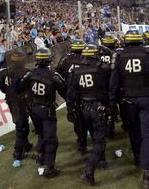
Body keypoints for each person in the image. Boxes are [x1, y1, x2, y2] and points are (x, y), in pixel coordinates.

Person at [109, 30, 149, 189]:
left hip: (127, 100)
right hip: (147, 98)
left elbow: (114, 82)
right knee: (148, 135)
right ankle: (148, 175)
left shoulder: (118, 55)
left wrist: (113, 103)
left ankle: (138, 159)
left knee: (133, 132)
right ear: (141, 40)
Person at [66, 43, 111, 186]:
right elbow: (110, 87)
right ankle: (89, 169)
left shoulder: (76, 71)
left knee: (93, 136)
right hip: (98, 108)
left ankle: (102, 160)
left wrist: (71, 109)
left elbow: (71, 94)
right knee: (100, 140)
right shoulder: (102, 68)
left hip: (83, 109)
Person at [18, 47, 66, 178]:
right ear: (49, 59)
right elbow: (65, 92)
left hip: (34, 109)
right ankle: (49, 168)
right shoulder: (53, 76)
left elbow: (19, 88)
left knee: (41, 134)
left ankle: (40, 156)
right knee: (51, 140)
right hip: (47, 110)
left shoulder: (30, 74)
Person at [56, 39, 88, 154]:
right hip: (85, 93)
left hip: (71, 94)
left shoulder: (65, 61)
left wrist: (66, 88)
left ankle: (81, 144)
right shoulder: (86, 60)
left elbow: (58, 74)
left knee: (77, 120)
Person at [0, 66, 33, 160]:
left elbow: (1, 86)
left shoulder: (4, 72)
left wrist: (9, 93)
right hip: (21, 101)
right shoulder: (25, 71)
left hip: (11, 100)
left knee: (21, 123)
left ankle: (25, 144)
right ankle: (18, 152)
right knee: (21, 126)